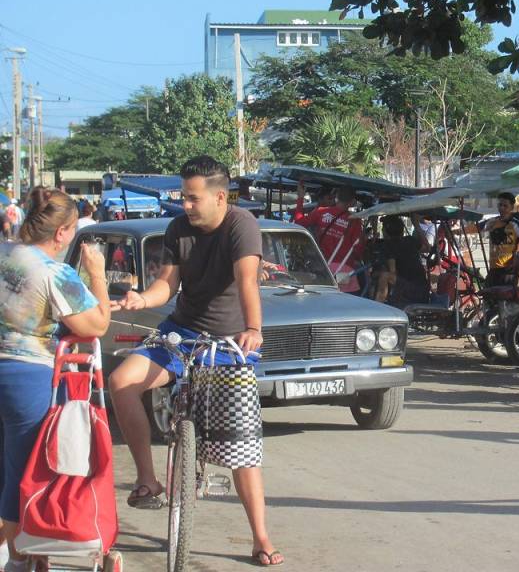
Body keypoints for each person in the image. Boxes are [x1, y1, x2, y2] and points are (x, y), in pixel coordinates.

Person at [108, 156, 283, 567]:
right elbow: (166, 285)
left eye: (192, 198)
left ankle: (260, 537)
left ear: (220, 197)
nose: (185, 205)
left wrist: (254, 328)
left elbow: (246, 281)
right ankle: (148, 481)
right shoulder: (177, 228)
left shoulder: (241, 225)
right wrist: (142, 299)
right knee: (121, 382)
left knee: (241, 445)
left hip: (229, 342)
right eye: (183, 198)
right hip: (181, 331)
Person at [0, 187, 110, 572]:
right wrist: (98, 276)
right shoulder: (53, 271)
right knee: (22, 473)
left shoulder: (3, 252)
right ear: (62, 233)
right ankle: (16, 559)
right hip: (26, 375)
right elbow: (95, 325)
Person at [294, 181, 364, 294]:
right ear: (352, 202)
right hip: (345, 271)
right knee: (347, 307)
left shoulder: (321, 212)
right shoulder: (355, 220)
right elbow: (358, 248)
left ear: (336, 197)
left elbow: (298, 222)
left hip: (324, 270)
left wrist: (300, 198)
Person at [374, 215, 431, 307]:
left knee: (384, 276)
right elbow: (427, 248)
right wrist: (416, 225)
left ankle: (376, 309)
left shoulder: (388, 246)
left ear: (385, 231)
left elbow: (393, 273)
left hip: (411, 293)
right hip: (423, 292)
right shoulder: (410, 240)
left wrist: (378, 273)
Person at [484, 192, 519, 286]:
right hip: (493, 268)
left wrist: (517, 260)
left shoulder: (516, 224)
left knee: (505, 298)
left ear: (511, 207)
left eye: (505, 205)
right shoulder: (492, 221)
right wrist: (454, 231)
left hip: (508, 270)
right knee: (490, 297)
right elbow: (476, 227)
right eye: (500, 205)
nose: (501, 208)